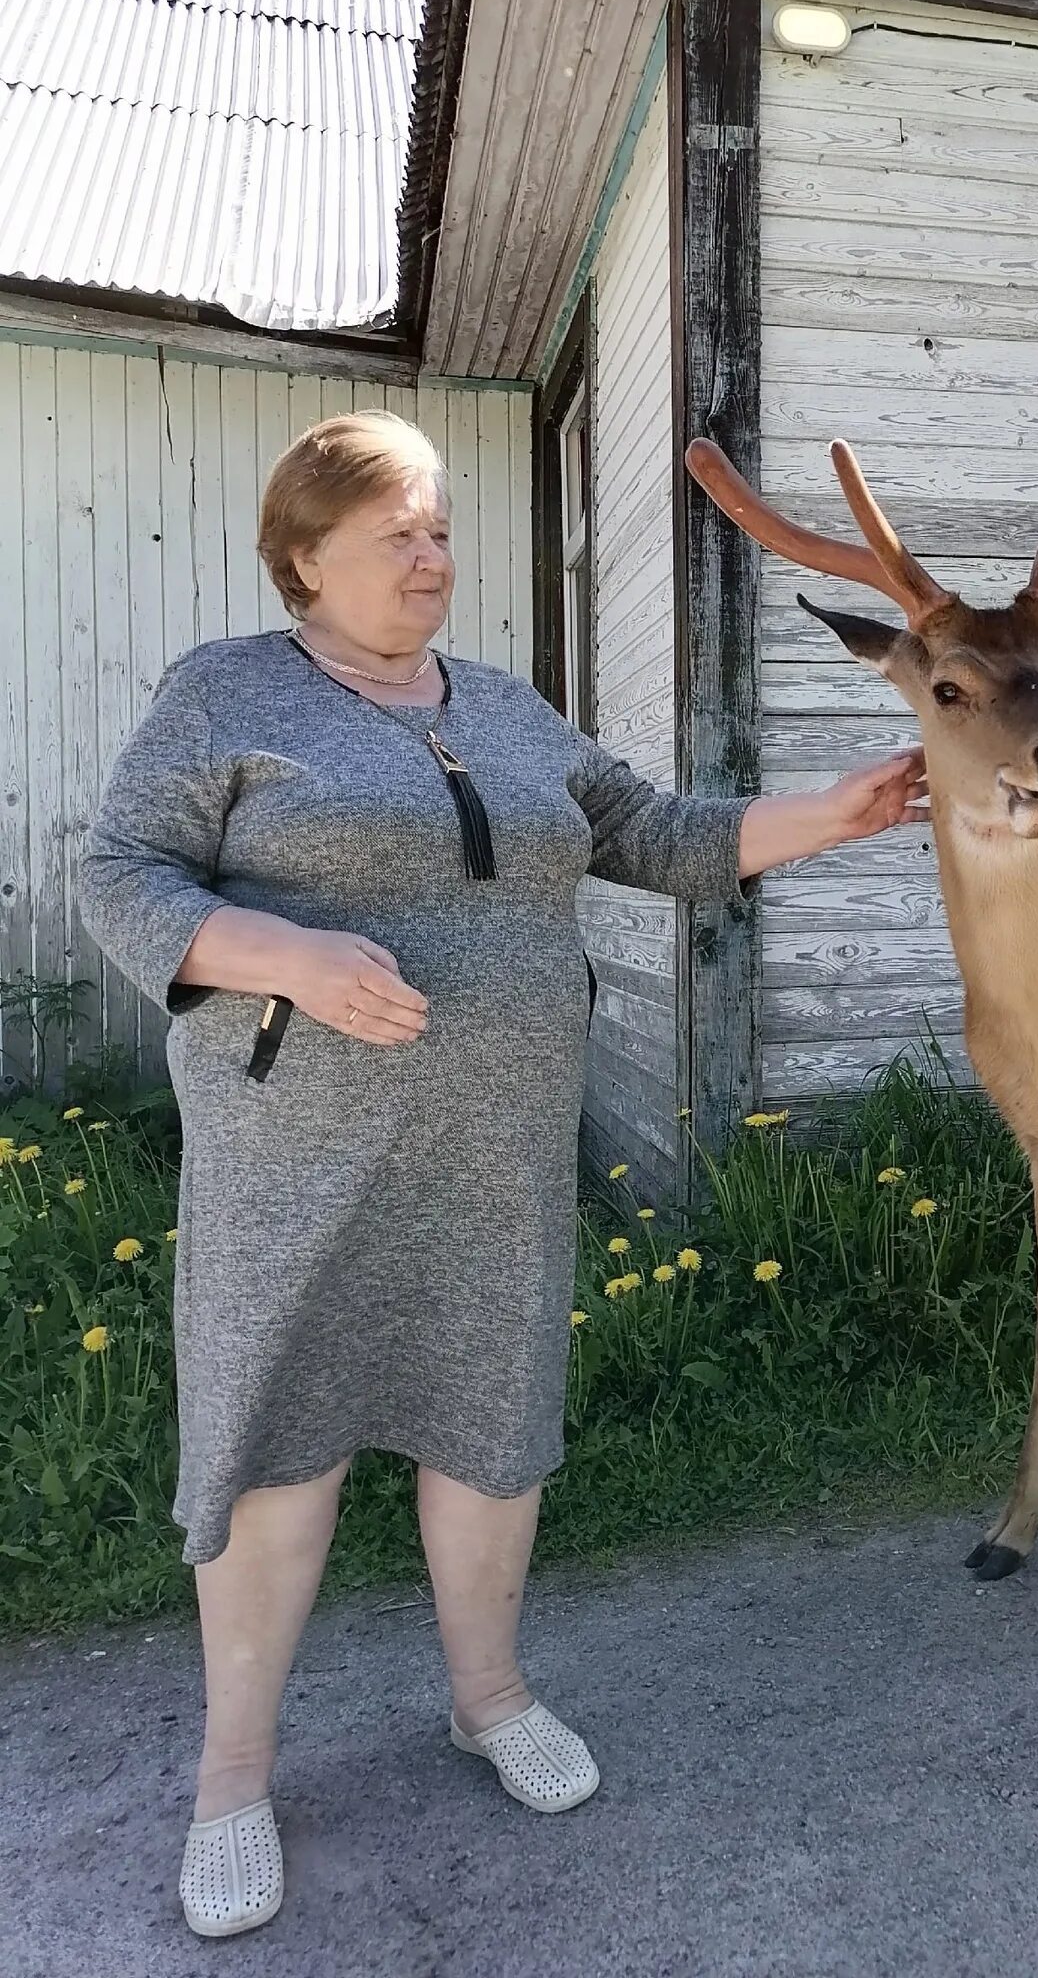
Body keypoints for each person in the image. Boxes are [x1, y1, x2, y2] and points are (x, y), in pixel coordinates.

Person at [77, 409, 927, 1939]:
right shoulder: (226, 695)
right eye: (395, 532)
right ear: (303, 556)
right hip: (296, 1161)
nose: (430, 555)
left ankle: (490, 1699)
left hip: (499, 1157)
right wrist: (285, 955)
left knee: (489, 1424)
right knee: (280, 1446)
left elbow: (658, 836)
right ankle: (232, 1777)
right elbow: (120, 870)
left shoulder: (513, 709)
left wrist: (835, 813)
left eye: (443, 530)